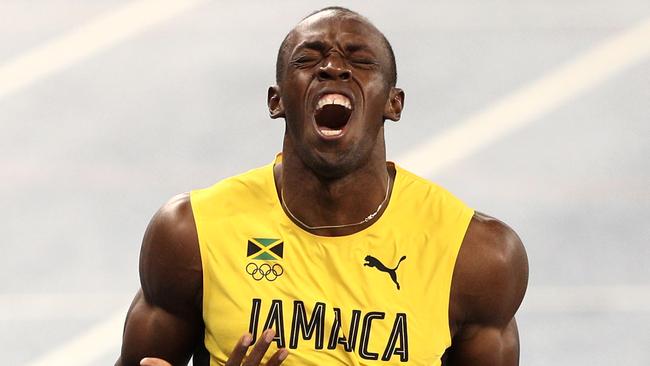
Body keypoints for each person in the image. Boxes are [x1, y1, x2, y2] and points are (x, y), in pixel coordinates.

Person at [116, 6, 528, 366]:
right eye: (308, 59)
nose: (332, 66)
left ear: (393, 102)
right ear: (276, 101)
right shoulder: (191, 234)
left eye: (360, 60)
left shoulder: (475, 256)